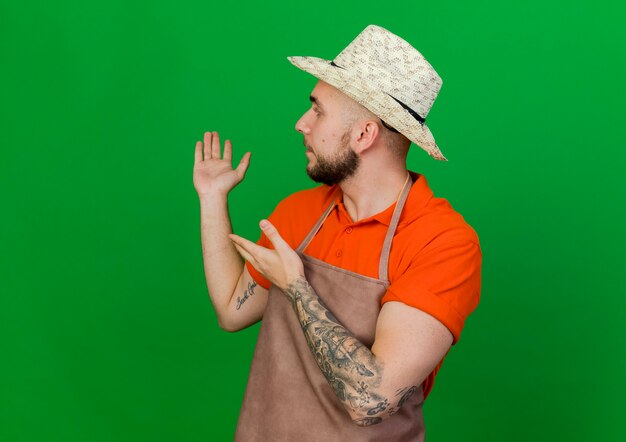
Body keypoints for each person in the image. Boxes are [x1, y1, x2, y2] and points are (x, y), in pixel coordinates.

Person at [193, 24, 482, 441]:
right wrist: (212, 198)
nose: (301, 124)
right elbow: (231, 311)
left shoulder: (442, 242)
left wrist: (296, 287)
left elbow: (372, 400)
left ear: (364, 134)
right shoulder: (299, 212)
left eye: (318, 111)